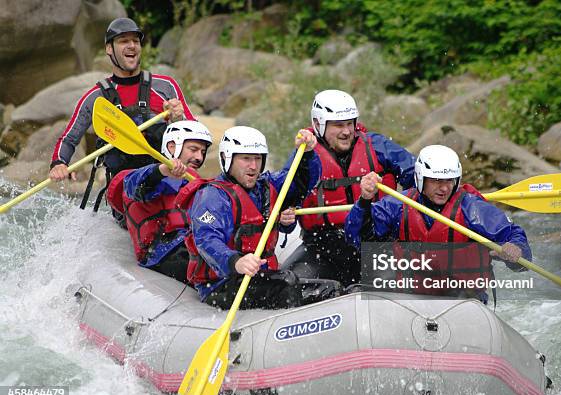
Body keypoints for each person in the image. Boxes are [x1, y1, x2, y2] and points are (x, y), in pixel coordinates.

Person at [345, 144, 532, 304]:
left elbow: (516, 243)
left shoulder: (473, 209)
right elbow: (356, 238)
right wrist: (364, 201)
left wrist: (516, 249)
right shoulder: (398, 205)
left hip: (464, 302)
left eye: (449, 181)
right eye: (436, 181)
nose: (443, 188)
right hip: (413, 299)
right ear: (420, 178)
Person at [48, 17, 194, 214]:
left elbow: (196, 134)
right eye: (124, 41)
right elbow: (69, 139)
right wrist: (59, 163)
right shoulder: (96, 98)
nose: (132, 46)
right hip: (127, 191)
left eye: (135, 41)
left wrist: (179, 118)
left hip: (170, 180)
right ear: (109, 48)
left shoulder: (165, 86)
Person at [175, 126, 321, 310]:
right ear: (227, 159)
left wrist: (307, 154)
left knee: (327, 290)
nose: (253, 166)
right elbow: (207, 240)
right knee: (286, 283)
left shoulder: (267, 186)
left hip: (263, 278)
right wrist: (236, 261)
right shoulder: (212, 196)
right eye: (246, 158)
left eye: (257, 158)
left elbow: (301, 181)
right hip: (222, 284)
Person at [282, 89, 416, 288]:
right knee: (288, 286)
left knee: (405, 281)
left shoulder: (377, 146)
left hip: (376, 241)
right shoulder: (304, 156)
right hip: (322, 247)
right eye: (338, 125)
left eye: (349, 123)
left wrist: (400, 211)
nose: (346, 131)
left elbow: (419, 179)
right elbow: (284, 203)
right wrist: (285, 219)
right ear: (318, 125)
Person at [106, 121, 212, 284]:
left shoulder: (199, 184)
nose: (199, 157)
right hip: (163, 253)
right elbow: (136, 186)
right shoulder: (143, 177)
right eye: (193, 149)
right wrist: (162, 171)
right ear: (171, 147)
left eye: (203, 152)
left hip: (194, 246)